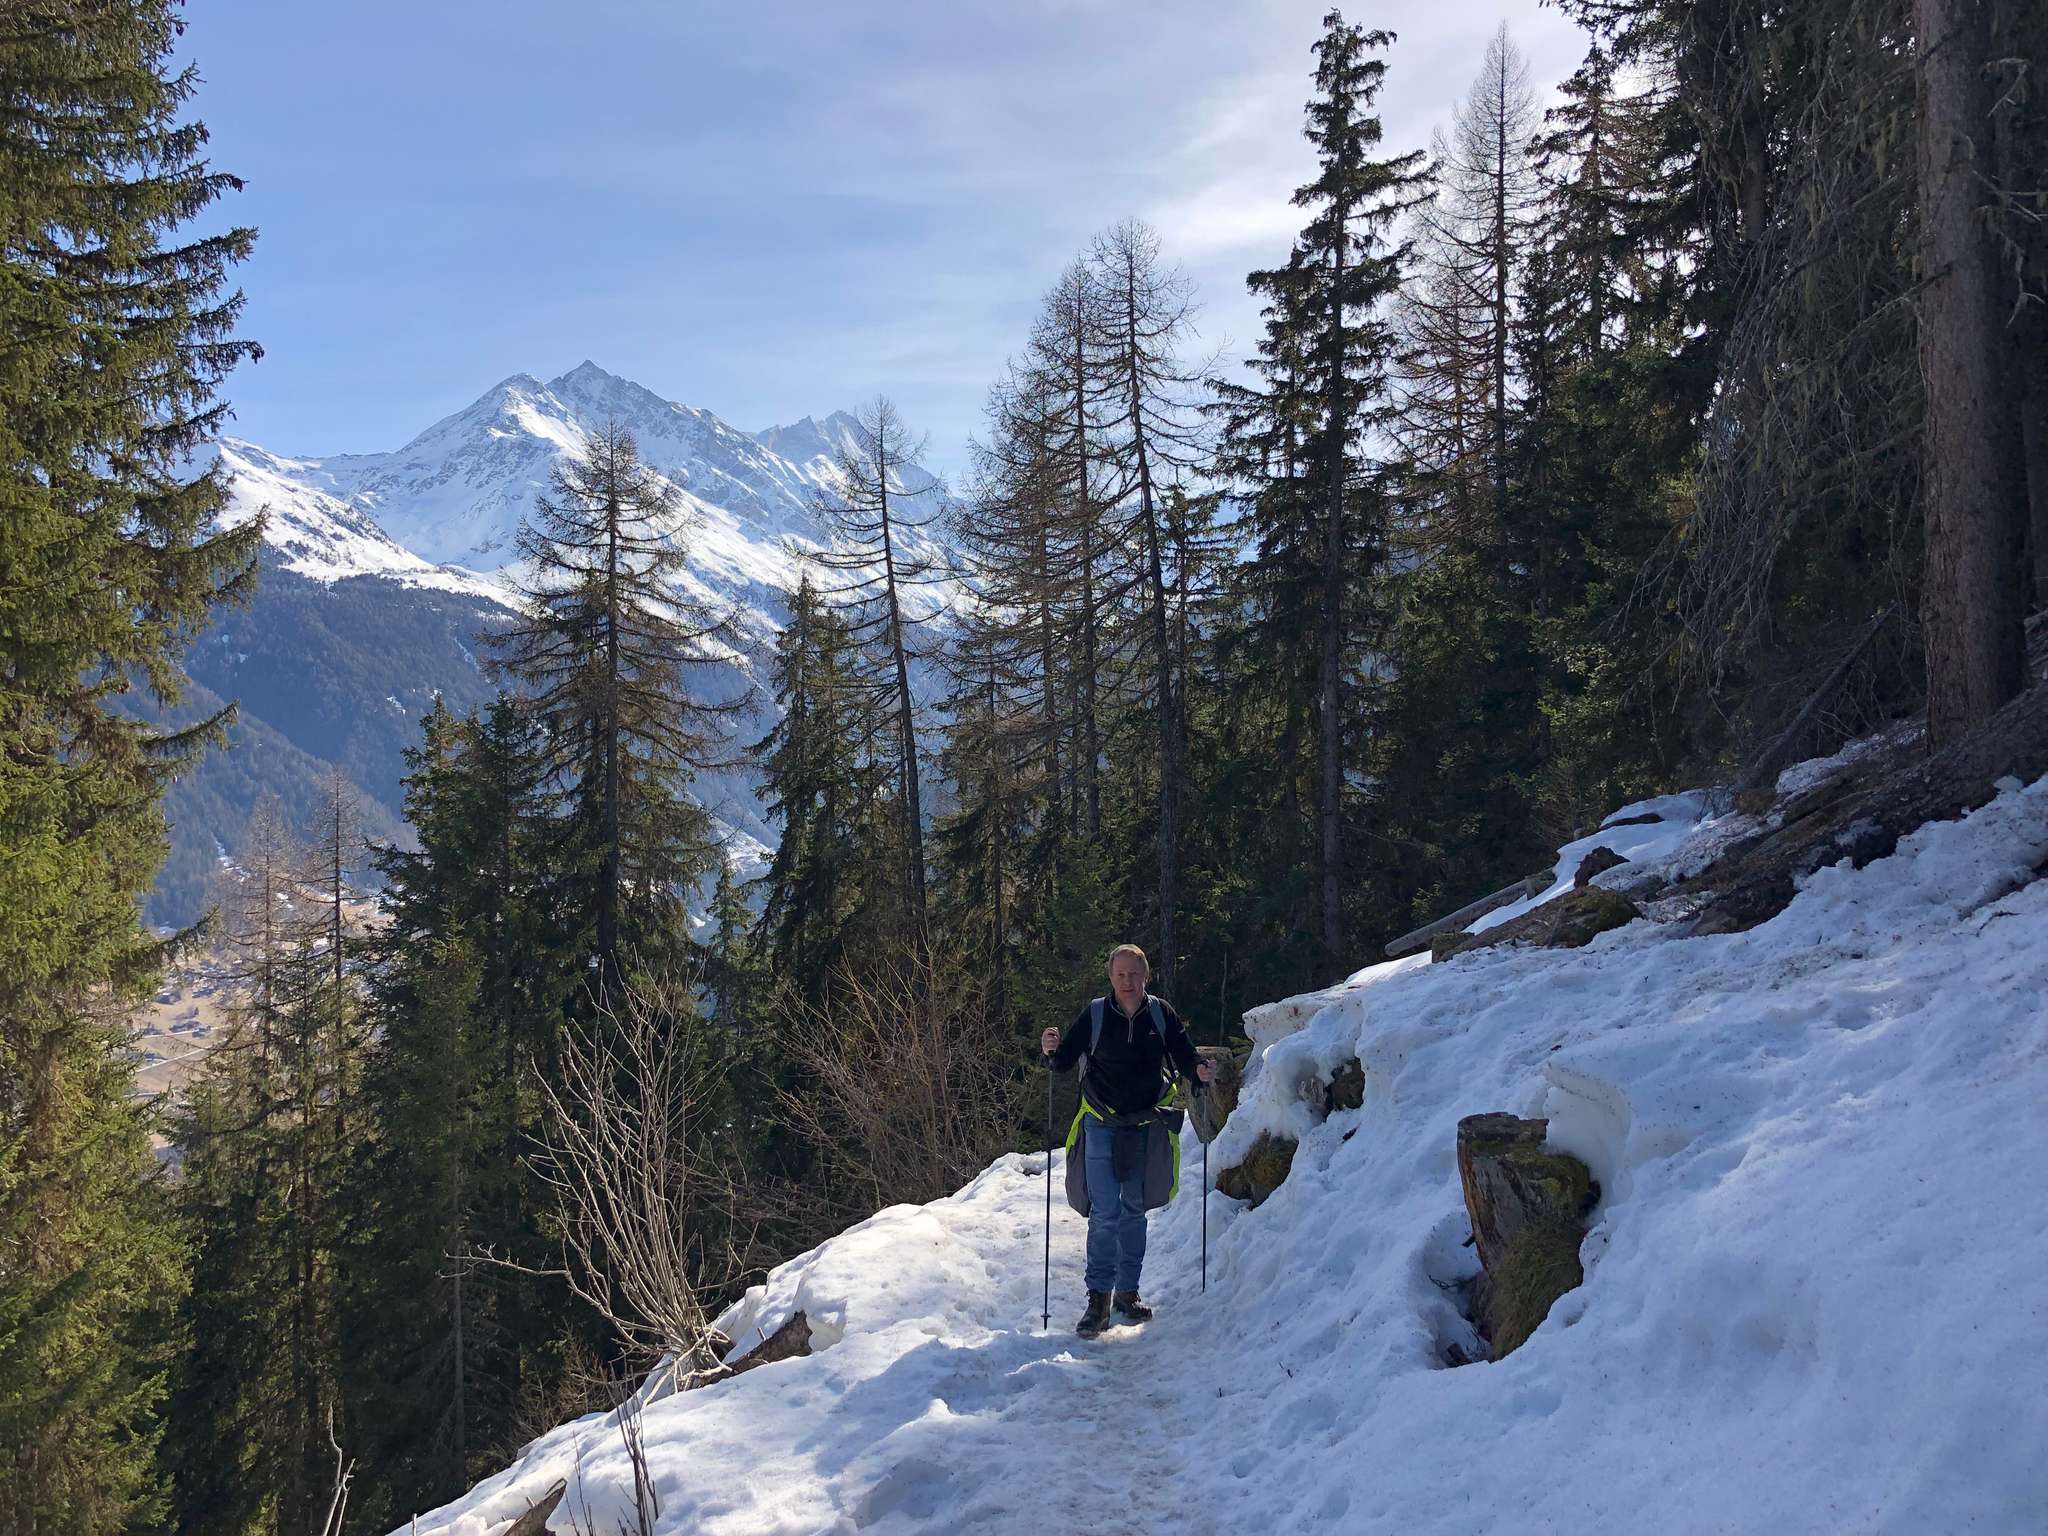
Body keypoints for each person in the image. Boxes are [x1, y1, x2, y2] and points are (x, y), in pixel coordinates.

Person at [1041, 943, 1215, 1337]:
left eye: (1134, 974)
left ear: (1145, 976)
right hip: (1100, 1123)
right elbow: (1063, 1060)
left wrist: (1199, 1071)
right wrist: (1050, 1050)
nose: (1127, 981)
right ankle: (1098, 1299)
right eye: (1120, 974)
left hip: (1144, 1124)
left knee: (1134, 1210)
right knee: (1105, 1213)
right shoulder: (1096, 1014)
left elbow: (1184, 1054)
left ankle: (1127, 1293)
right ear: (1110, 977)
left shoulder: (1160, 1013)